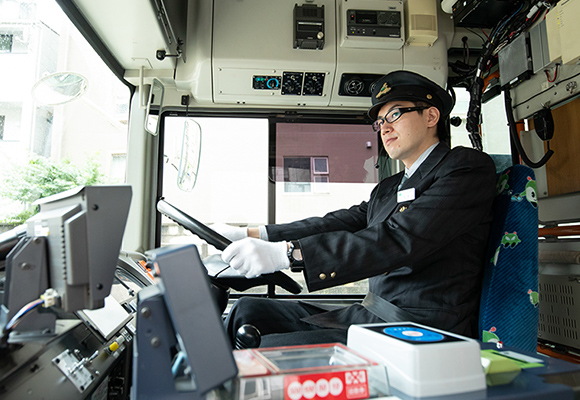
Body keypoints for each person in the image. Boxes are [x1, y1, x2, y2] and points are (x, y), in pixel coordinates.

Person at [216, 70, 497, 347]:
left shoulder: (465, 168)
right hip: (369, 315)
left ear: (431, 116)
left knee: (265, 352)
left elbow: (400, 237)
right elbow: (340, 222)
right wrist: (256, 234)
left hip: (419, 328)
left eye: (395, 114)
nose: (384, 128)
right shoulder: (389, 187)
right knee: (247, 310)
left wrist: (289, 255)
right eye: (380, 122)